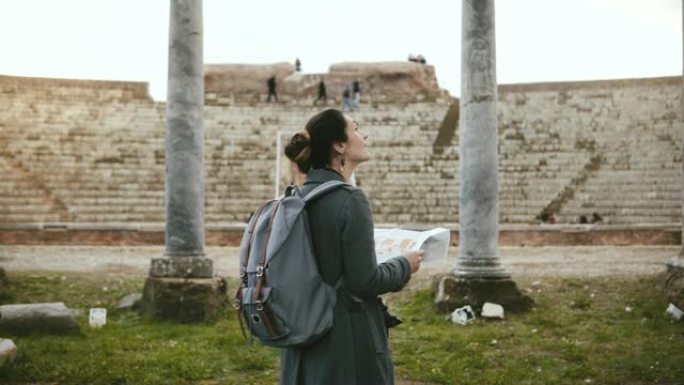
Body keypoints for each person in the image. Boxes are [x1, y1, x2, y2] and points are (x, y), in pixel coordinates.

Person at [281, 109, 423, 385]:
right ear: (340, 145)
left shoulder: (294, 198)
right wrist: (405, 264)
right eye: (356, 128)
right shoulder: (350, 200)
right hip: (344, 340)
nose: (364, 135)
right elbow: (365, 281)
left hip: (301, 335)